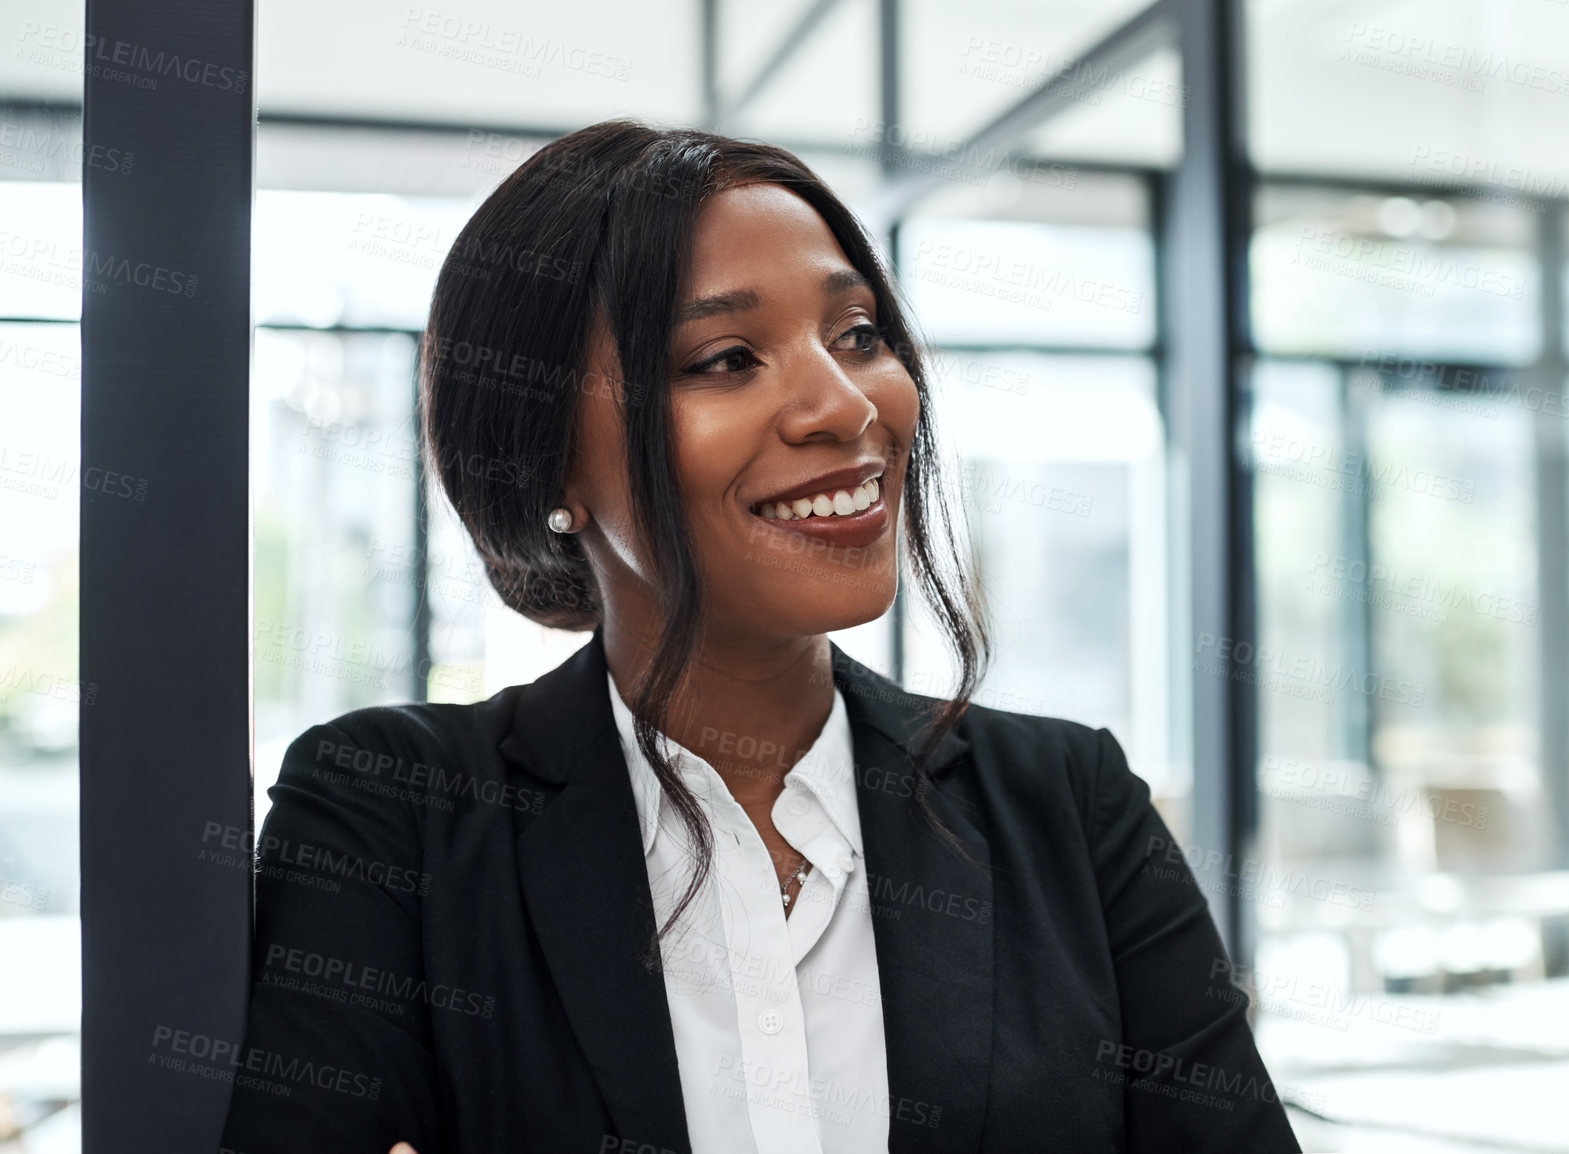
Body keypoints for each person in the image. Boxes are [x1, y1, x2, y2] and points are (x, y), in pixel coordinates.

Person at [220, 118, 1301, 1154]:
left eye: (859, 333)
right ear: (545, 453)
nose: (844, 404)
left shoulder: (1068, 803)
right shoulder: (390, 812)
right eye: (727, 357)